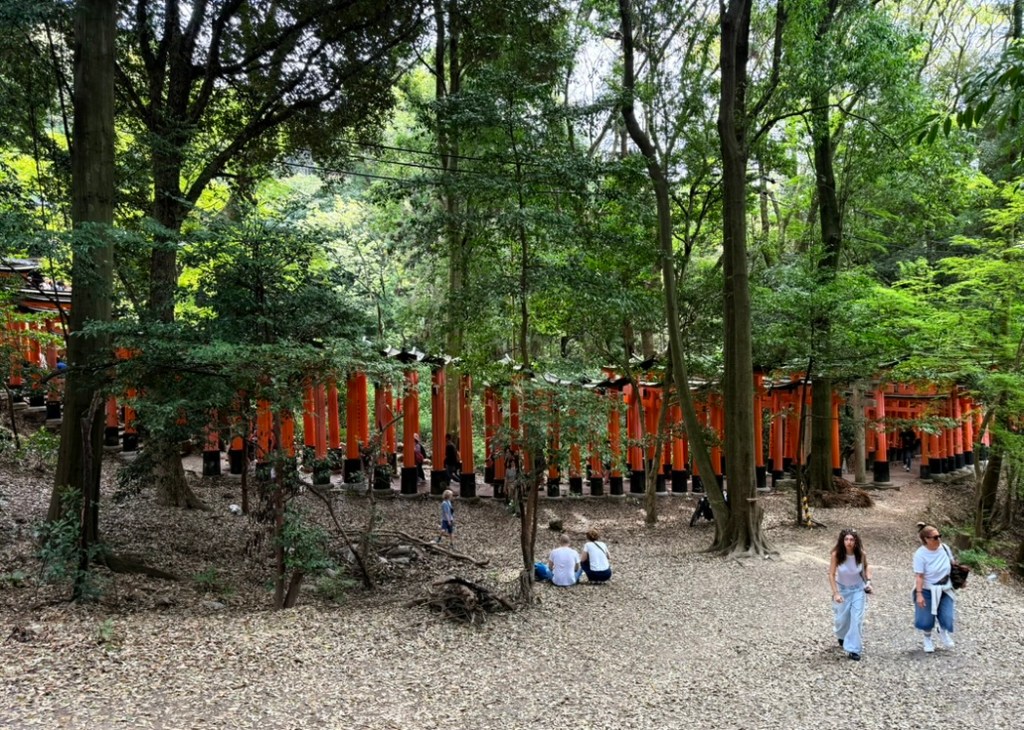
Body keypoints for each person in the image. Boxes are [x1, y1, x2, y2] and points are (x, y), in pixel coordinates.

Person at [828, 528, 873, 661]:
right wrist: (836, 593)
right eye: (846, 539)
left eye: (852, 539)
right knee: (841, 620)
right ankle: (842, 636)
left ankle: (853, 649)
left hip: (858, 590)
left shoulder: (861, 554)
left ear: (856, 541)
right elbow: (831, 574)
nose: (849, 542)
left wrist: (868, 583)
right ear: (842, 541)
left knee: (856, 619)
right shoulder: (836, 555)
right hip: (842, 590)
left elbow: (865, 569)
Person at [913, 522, 956, 653]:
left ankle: (942, 631)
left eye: (939, 536)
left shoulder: (945, 548)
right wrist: (919, 594)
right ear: (926, 539)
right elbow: (919, 576)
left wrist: (960, 579)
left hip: (945, 588)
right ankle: (927, 638)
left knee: (948, 616)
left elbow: (953, 564)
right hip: (927, 589)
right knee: (926, 619)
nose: (939, 539)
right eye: (935, 537)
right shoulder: (920, 554)